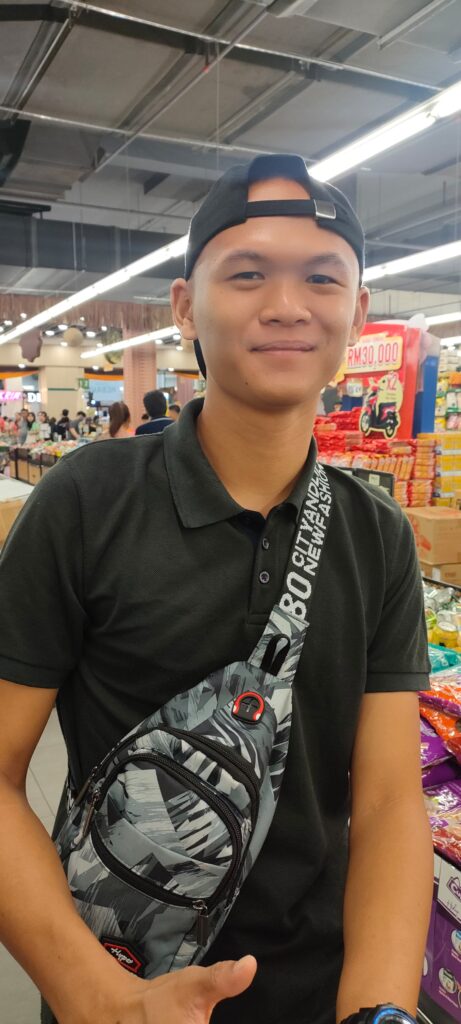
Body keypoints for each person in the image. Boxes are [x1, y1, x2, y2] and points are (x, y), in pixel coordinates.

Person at [0, 154, 432, 1024]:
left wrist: (378, 1008)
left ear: (356, 312)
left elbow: (388, 800)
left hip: (319, 991)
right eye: (246, 274)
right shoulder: (86, 501)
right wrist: (99, 999)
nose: (287, 305)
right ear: (184, 306)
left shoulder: (376, 533)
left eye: (321, 278)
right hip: (115, 982)